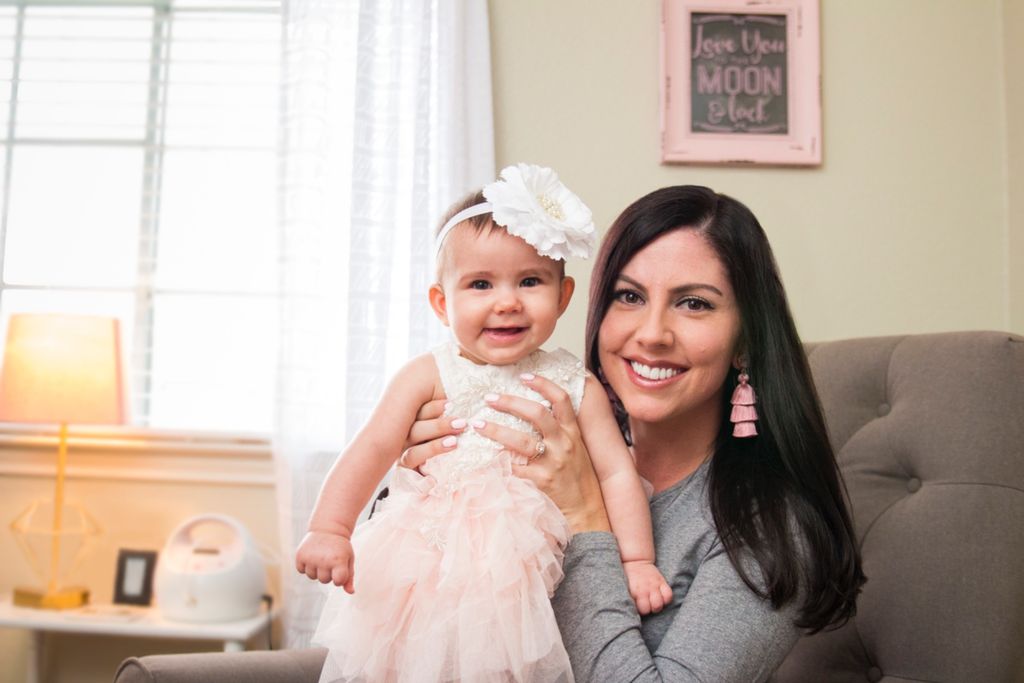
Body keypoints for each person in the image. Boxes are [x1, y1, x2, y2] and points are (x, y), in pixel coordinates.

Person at [401, 185, 866, 681]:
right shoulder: (541, 443)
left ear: (745, 338)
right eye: (629, 296)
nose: (651, 334)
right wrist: (427, 475)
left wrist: (585, 517)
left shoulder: (770, 527)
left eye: (694, 303)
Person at [295, 164, 671, 683]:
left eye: (530, 281)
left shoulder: (574, 382)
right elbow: (373, 447)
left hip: (530, 577)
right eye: (480, 284)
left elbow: (614, 473)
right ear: (442, 303)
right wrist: (330, 528)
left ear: (563, 296)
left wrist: (636, 561)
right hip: (429, 565)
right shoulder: (428, 374)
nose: (507, 301)